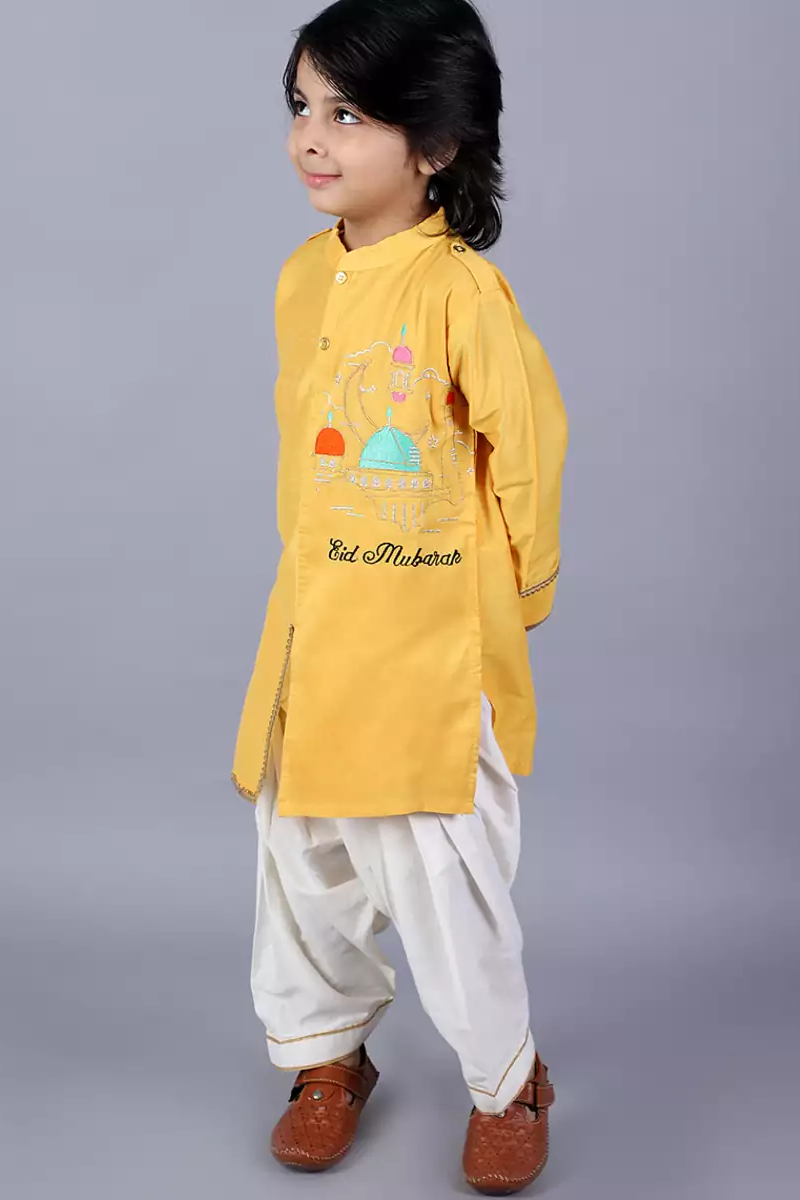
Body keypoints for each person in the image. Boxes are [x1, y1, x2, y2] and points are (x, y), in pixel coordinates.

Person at [230, 1, 568, 1192]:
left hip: (426, 640)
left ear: (436, 144)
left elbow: (527, 451)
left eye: (349, 114)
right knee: (301, 856)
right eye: (302, 106)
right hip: (316, 628)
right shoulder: (300, 280)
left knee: (438, 870)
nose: (309, 137)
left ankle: (507, 1079)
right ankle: (327, 1058)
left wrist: (516, 596)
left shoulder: (460, 293)